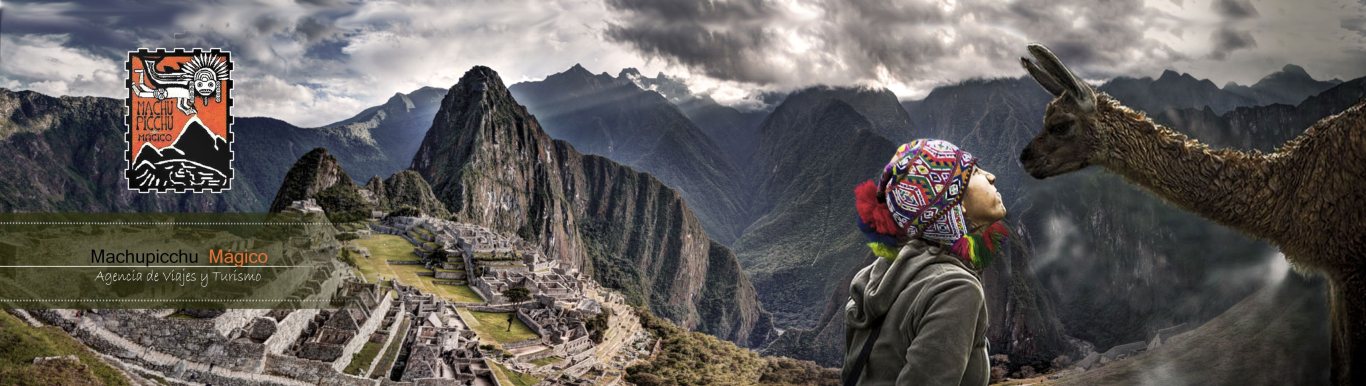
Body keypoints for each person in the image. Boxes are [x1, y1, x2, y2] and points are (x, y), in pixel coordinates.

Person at [842, 139, 1009, 386]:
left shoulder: (878, 275)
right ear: (955, 202)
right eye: (974, 172)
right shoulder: (955, 289)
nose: (991, 176)